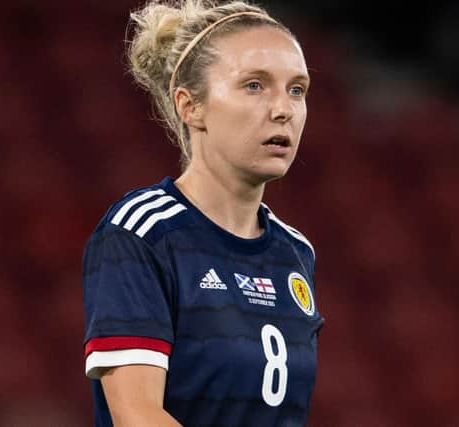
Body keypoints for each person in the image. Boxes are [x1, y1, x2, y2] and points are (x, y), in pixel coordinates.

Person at [82, 1, 324, 425]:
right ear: (190, 106)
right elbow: (138, 417)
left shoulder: (295, 253)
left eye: (297, 89)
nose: (283, 109)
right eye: (254, 85)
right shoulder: (142, 233)